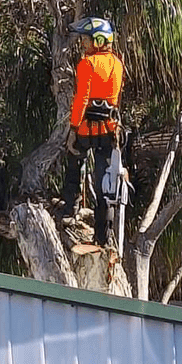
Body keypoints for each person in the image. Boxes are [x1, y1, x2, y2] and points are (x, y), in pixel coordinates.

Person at [61, 16, 124, 247]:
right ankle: (103, 236)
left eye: (86, 39)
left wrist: (73, 129)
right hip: (109, 130)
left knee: (73, 163)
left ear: (98, 40)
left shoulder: (86, 64)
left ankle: (70, 210)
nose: (83, 43)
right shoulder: (117, 63)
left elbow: (82, 98)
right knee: (104, 183)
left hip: (86, 129)